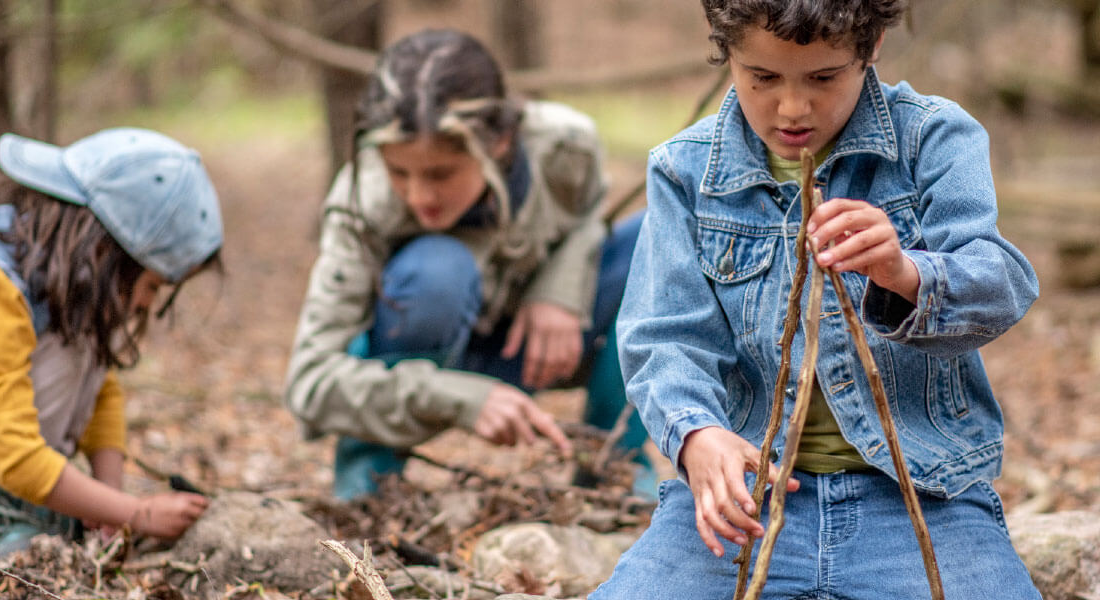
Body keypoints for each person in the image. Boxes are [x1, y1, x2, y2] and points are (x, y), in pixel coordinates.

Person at [592, 1, 1043, 598]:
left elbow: (1001, 283)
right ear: (726, 52)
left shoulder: (934, 138)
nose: (793, 107)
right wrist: (697, 435)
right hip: (743, 505)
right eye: (764, 78)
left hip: (920, 498)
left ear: (872, 44)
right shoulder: (685, 170)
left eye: (824, 78)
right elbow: (665, 337)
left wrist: (905, 273)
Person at [284, 28, 653, 501]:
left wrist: (559, 291)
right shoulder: (362, 201)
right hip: (422, 357)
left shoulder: (565, 144)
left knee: (657, 237)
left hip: (530, 344)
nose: (419, 196)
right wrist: (460, 398)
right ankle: (370, 471)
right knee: (436, 270)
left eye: (440, 174)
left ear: (500, 141)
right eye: (399, 172)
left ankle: (612, 465)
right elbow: (309, 383)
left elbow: (587, 220)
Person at [0, 128, 223, 569]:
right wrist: (137, 514)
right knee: (64, 351)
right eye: (150, 284)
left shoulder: (53, 279)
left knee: (80, 342)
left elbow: (102, 389)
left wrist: (110, 505)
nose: (147, 302)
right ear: (107, 253)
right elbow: (11, 452)